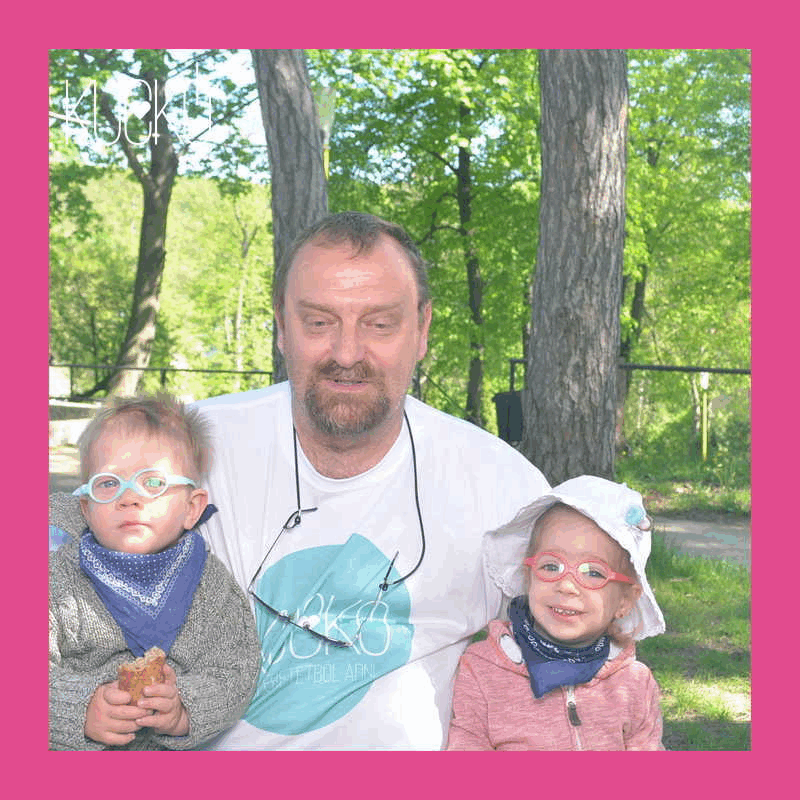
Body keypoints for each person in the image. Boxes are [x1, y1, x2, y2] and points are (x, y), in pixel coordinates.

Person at [194, 211, 550, 749]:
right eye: (319, 323)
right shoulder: (189, 451)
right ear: (282, 327)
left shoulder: (503, 486)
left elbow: (569, 662)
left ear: (422, 330)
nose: (347, 354)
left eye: (379, 325)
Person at [48, 394, 261, 750]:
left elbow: (235, 669)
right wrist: (78, 709)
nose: (129, 498)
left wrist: (184, 709)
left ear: (192, 508)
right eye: (108, 483)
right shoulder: (60, 578)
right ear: (86, 508)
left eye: (152, 483)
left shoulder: (208, 585)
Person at [447, 475, 666, 750]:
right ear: (529, 576)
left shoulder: (633, 683)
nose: (566, 585)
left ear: (625, 600)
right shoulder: (483, 670)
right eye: (551, 566)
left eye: (593, 572)